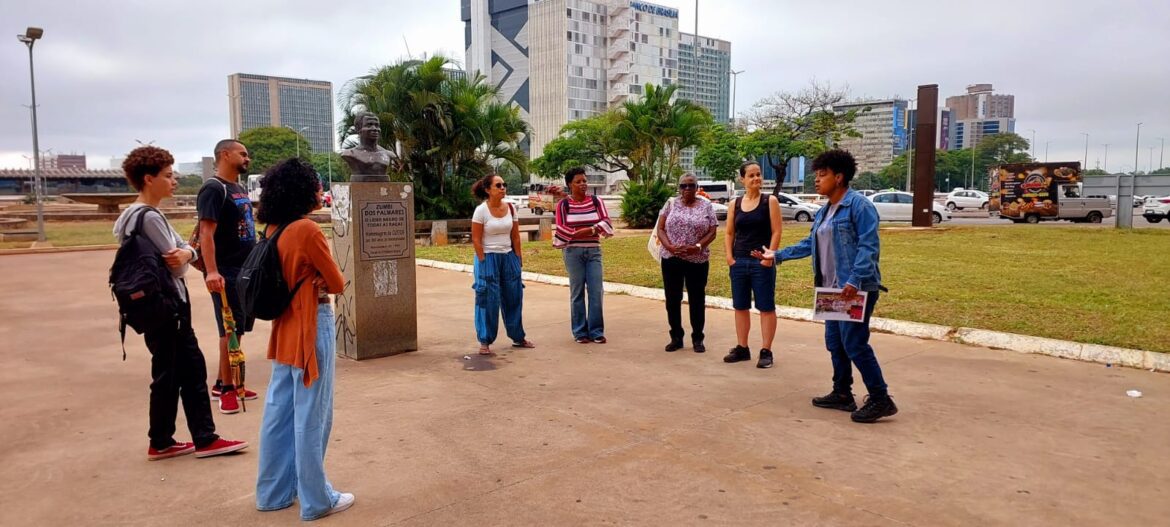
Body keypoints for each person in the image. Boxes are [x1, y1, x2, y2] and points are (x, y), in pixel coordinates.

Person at [113, 146, 249, 460]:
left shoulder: (129, 216)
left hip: (152, 306)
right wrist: (188, 253)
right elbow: (177, 263)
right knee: (190, 370)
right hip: (170, 303)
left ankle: (161, 441)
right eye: (167, 175)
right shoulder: (150, 217)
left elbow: (184, 249)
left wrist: (187, 252)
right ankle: (204, 438)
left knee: (168, 372)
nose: (174, 180)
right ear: (149, 179)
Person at [756, 149, 898, 423]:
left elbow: (868, 247)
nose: (817, 180)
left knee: (854, 344)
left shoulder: (859, 206)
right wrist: (777, 255)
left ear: (839, 177)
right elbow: (810, 244)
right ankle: (842, 392)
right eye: (817, 175)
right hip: (830, 289)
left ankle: (881, 398)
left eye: (822, 175)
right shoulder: (824, 212)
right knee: (835, 343)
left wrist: (854, 280)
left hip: (854, 288)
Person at [254, 158, 354, 520]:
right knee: (313, 415)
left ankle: (273, 492)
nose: (319, 190)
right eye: (316, 184)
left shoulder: (273, 228)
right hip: (312, 322)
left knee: (279, 412)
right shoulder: (307, 230)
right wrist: (321, 279)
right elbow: (337, 282)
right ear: (303, 190)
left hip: (284, 327)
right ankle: (317, 499)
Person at [197, 139, 259, 414]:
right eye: (242, 154)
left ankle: (224, 381)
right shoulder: (214, 188)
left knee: (239, 328)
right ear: (225, 154)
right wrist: (212, 271)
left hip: (245, 270)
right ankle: (228, 391)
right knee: (229, 330)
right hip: (226, 271)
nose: (247, 158)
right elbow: (206, 233)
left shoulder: (238, 188)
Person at [723, 161, 782, 368]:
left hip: (761, 263)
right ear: (742, 179)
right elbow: (729, 233)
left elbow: (776, 231)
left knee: (766, 307)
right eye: (751, 175)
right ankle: (742, 348)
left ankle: (766, 351)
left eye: (758, 174)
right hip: (739, 261)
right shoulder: (735, 203)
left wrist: (768, 257)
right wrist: (730, 257)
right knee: (740, 306)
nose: (756, 178)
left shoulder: (770, 201)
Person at [470, 173, 535, 355]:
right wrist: (482, 260)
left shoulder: (511, 208)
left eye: (504, 185)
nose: (503, 188)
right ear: (487, 189)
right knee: (488, 299)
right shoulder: (481, 211)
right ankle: (485, 340)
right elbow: (476, 239)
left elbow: (515, 236)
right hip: (488, 257)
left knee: (514, 296)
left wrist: (518, 258)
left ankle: (518, 336)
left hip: (508, 257)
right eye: (498, 185)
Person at [656, 174, 718, 353]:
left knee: (697, 299)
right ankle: (676, 337)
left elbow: (712, 231)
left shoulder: (706, 205)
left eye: (691, 185)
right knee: (672, 299)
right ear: (679, 188)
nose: (687, 189)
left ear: (697, 188)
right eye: (683, 186)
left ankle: (698, 338)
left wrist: (697, 247)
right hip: (671, 258)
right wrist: (669, 246)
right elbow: (660, 228)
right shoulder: (670, 204)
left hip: (697, 259)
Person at [553, 167, 614, 344]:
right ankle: (580, 332)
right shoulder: (563, 205)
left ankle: (596, 331)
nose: (583, 184)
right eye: (578, 182)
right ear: (569, 185)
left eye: (584, 181)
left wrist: (588, 230)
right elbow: (561, 229)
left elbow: (606, 222)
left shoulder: (596, 201)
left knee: (596, 290)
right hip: (573, 253)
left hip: (594, 252)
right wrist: (592, 229)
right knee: (577, 292)